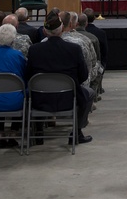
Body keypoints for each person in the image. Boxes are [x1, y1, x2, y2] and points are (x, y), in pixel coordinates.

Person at [25, 13, 93, 145]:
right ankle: (76, 132)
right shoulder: (74, 49)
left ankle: (38, 133)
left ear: (44, 31)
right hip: (68, 97)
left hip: (40, 98)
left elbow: (28, 75)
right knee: (89, 93)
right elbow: (83, 75)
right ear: (62, 29)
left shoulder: (34, 50)